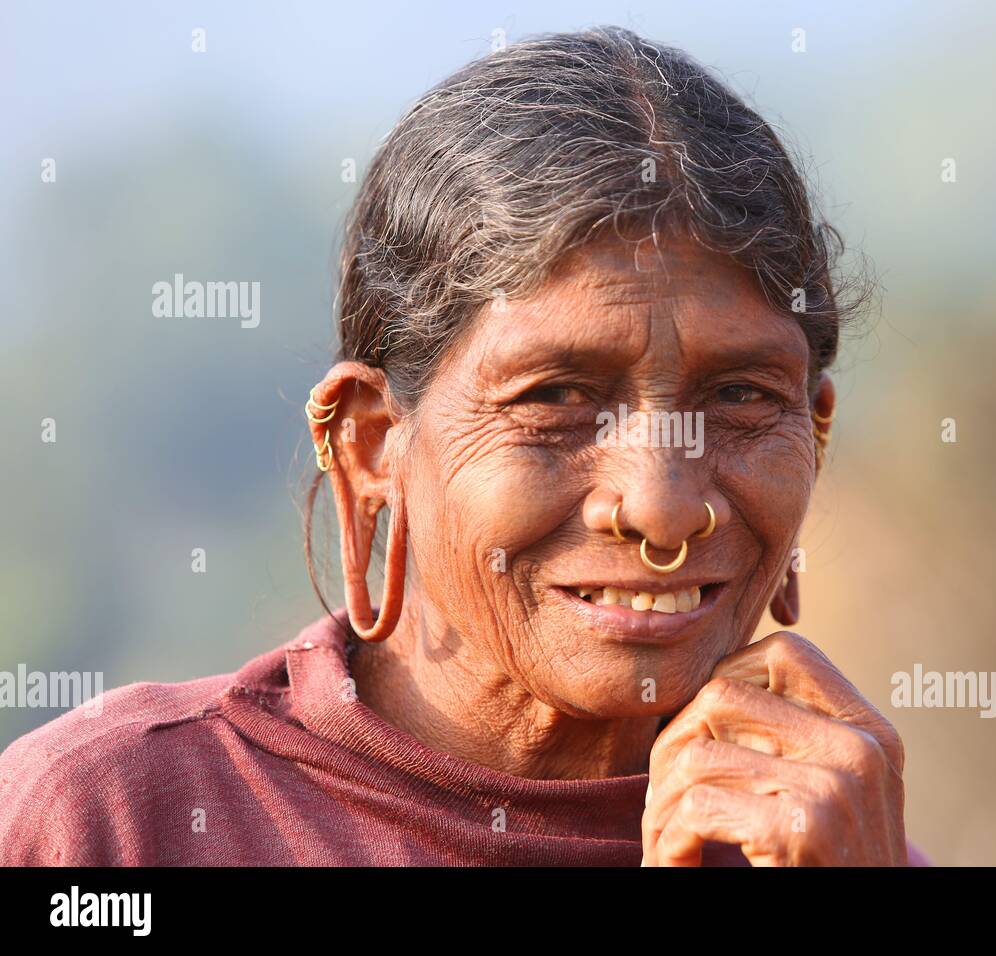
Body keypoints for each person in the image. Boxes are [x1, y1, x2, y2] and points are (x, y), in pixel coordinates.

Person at [0, 26, 926, 867]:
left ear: (816, 431)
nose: (664, 506)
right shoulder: (110, 824)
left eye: (740, 398)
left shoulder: (825, 851)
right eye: (557, 397)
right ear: (371, 448)